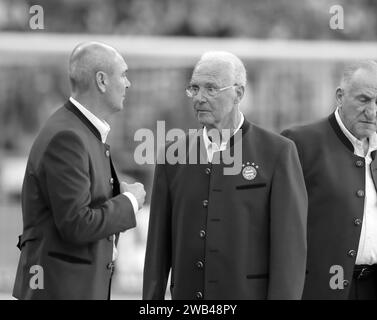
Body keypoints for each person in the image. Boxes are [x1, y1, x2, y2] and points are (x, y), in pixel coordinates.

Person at [143, 51, 308, 300]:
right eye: (194, 88)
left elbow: (289, 250)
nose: (199, 98)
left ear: (238, 94)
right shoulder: (172, 155)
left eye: (211, 88)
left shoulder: (278, 152)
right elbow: (157, 247)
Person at [12, 42, 146, 300]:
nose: (128, 83)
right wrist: (129, 202)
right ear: (102, 81)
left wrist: (118, 192)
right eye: (123, 74)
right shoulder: (68, 136)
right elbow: (76, 224)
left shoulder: (81, 130)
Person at [282, 60, 377, 300]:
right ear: (340, 96)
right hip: (318, 290)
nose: (372, 111)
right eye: (364, 100)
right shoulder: (298, 143)